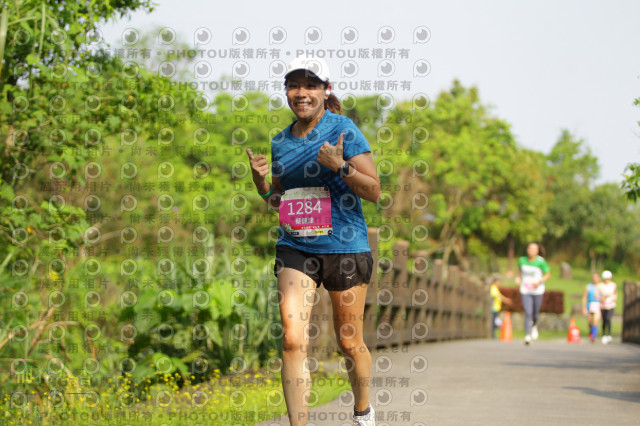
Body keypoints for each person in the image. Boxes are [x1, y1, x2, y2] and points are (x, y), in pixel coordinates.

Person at [246, 55, 381, 426]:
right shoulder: (280, 142)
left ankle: (363, 411)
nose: (301, 92)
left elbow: (374, 191)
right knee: (292, 340)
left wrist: (341, 166)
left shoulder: (344, 129)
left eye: (310, 85)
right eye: (294, 85)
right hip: (295, 246)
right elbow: (278, 200)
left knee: (349, 342)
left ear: (326, 90)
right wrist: (260, 182)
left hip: (345, 247)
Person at [515, 242, 551, 345]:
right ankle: (527, 335)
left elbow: (547, 274)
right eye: (530, 248)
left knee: (535, 313)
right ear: (527, 250)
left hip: (537, 290)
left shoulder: (541, 262)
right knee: (528, 312)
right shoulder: (522, 260)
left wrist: (539, 282)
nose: (531, 251)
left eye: (534, 249)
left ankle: (534, 325)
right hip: (525, 290)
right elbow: (519, 272)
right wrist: (518, 279)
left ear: (537, 251)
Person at [597, 270, 617, 345]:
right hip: (603, 305)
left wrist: (612, 298)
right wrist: (601, 298)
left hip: (610, 305)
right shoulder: (600, 285)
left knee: (608, 319)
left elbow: (615, 294)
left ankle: (609, 334)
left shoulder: (613, 285)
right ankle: (603, 334)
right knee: (604, 320)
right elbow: (596, 295)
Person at [581, 273, 601, 343]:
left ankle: (593, 336)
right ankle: (591, 332)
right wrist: (584, 307)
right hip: (590, 304)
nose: (595, 279)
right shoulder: (588, 286)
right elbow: (584, 297)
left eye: (596, 277)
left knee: (595, 320)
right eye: (593, 277)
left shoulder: (600, 286)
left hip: (598, 304)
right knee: (589, 321)